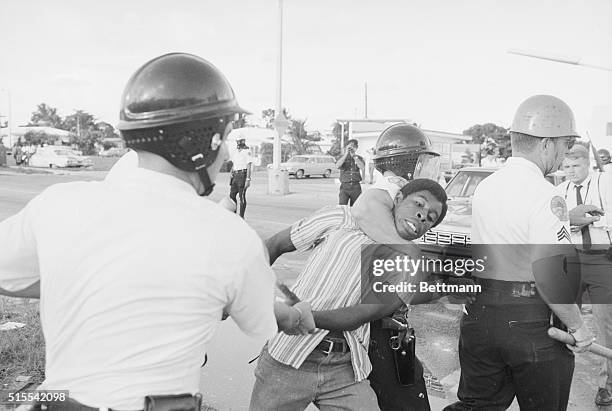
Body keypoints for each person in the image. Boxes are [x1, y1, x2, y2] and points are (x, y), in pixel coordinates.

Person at [0, 53, 314, 410]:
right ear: (201, 144)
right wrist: (293, 315)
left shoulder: (58, 203)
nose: (226, 151)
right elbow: (261, 317)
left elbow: (6, 275)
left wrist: (84, 280)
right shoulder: (229, 236)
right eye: (224, 137)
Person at [444, 95, 595, 411]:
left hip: (480, 316)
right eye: (564, 145)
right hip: (531, 322)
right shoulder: (545, 194)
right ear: (546, 144)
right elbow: (551, 274)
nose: (564, 154)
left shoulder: (488, 186)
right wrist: (579, 327)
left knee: (477, 407)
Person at [250, 178, 451, 410]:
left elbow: (362, 313)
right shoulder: (343, 217)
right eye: (419, 204)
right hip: (288, 355)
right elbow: (274, 245)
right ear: (397, 199)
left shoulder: (405, 264)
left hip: (345, 367)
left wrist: (302, 316)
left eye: (431, 217)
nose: (423, 215)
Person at [558, 145, 612, 406]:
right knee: (566, 321)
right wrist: (571, 223)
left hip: (603, 260)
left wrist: (594, 220)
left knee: (606, 326)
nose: (570, 171)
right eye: (566, 166)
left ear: (587, 163)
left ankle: (606, 386)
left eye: (575, 166)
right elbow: (554, 226)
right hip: (572, 261)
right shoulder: (560, 191)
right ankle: (559, 379)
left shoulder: (604, 183)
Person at [336, 138, 365, 206]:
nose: (351, 148)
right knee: (342, 207)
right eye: (350, 146)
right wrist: (346, 153)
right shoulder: (342, 157)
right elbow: (337, 166)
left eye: (354, 146)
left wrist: (354, 156)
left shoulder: (359, 158)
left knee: (355, 208)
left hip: (356, 187)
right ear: (347, 147)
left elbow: (362, 167)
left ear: (356, 148)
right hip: (344, 186)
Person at [229, 137, 252, 218]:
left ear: (243, 141)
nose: (238, 142)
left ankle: (241, 216)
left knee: (241, 196)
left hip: (242, 175)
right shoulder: (235, 151)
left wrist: (248, 179)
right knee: (232, 196)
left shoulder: (246, 151)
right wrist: (231, 172)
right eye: (237, 141)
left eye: (240, 141)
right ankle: (234, 215)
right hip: (235, 175)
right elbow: (234, 163)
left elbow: (249, 165)